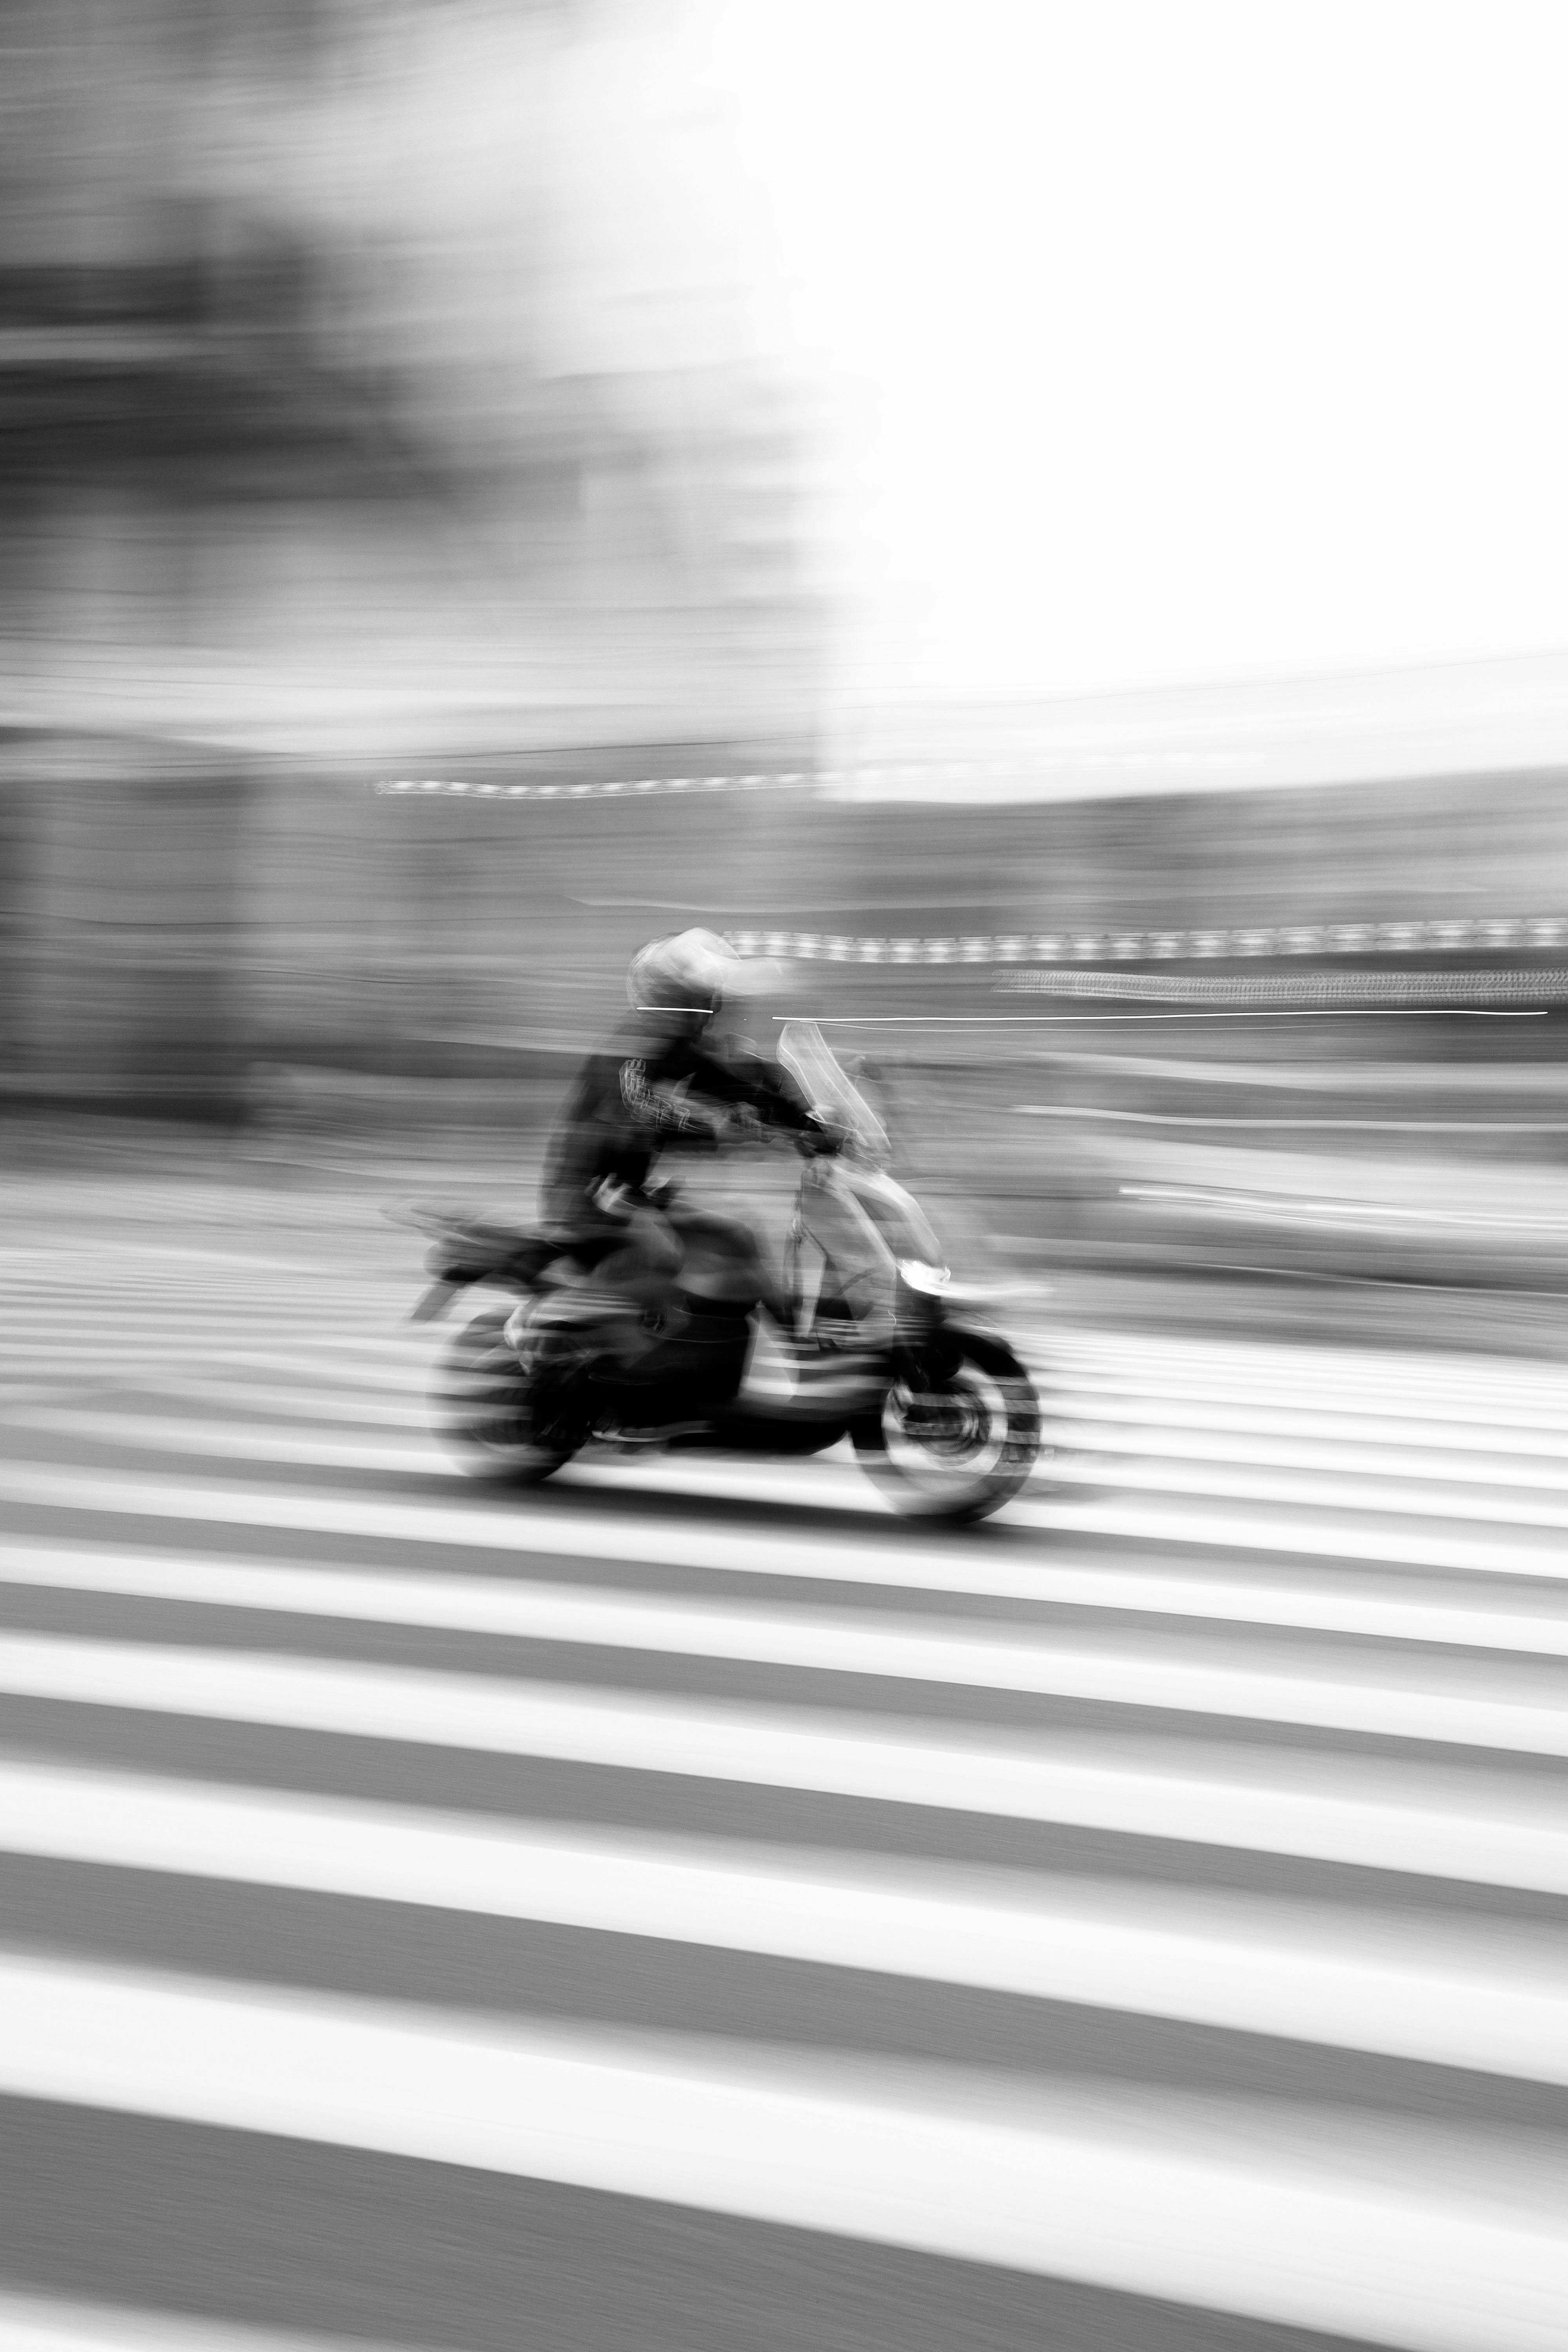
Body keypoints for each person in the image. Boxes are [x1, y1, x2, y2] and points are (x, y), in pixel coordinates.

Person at [537, 929, 833, 1344]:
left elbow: (741, 1087)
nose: (713, 1009)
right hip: (592, 1202)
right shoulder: (635, 1049)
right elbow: (637, 1115)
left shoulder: (676, 1049)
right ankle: (642, 1361)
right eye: (703, 998)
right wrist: (716, 1131)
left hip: (628, 1196)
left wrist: (810, 1123)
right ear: (671, 998)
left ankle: (798, 1350)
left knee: (738, 1236)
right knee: (673, 1262)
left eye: (711, 999)